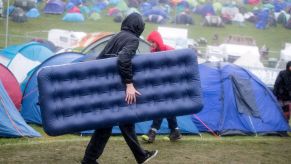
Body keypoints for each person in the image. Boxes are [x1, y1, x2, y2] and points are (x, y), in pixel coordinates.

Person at [82, 13, 158, 164]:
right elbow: (123, 59)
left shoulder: (117, 36)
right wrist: (129, 84)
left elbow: (101, 60)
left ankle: (89, 160)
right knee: (119, 123)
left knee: (112, 125)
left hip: (104, 87)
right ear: (139, 26)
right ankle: (140, 156)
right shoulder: (133, 39)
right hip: (113, 89)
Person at [141, 31, 182, 143]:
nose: (151, 44)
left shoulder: (169, 50)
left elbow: (176, 68)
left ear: (157, 41)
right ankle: (175, 131)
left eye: (153, 42)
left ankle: (152, 132)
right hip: (160, 85)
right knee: (167, 107)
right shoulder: (152, 53)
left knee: (161, 106)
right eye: (150, 42)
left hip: (171, 84)